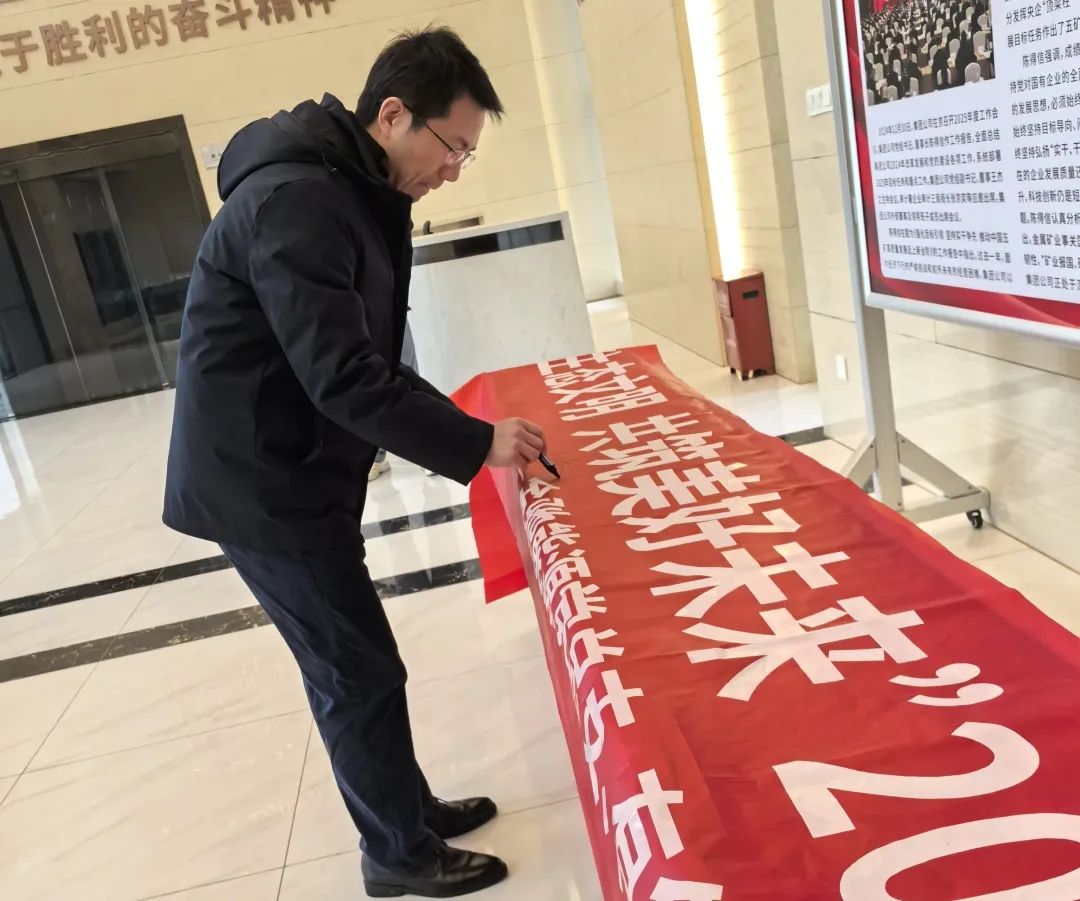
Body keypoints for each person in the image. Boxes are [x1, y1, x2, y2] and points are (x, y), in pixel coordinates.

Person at [163, 26, 547, 898]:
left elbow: (365, 355)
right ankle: (396, 854)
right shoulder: (299, 202)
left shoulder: (352, 189)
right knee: (355, 669)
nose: (454, 170)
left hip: (294, 465)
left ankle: (406, 811)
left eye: (467, 154)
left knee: (360, 661)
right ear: (394, 113)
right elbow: (343, 375)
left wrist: (466, 427)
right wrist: (475, 443)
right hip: (262, 483)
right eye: (452, 147)